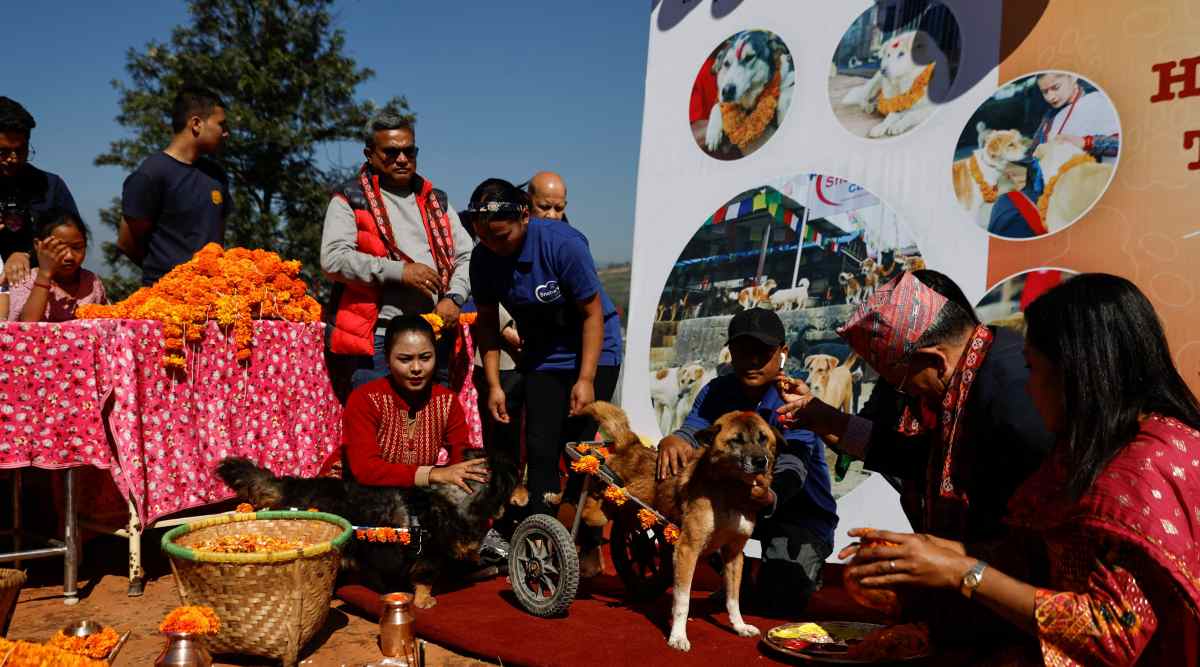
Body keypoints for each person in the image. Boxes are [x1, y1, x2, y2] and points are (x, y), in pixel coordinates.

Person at [842, 274, 1200, 665]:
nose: (1027, 386)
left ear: (1077, 374)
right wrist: (932, 552)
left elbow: (1111, 632)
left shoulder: (1141, 469)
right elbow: (1041, 554)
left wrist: (964, 571)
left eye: (1032, 368)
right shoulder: (1087, 447)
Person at [778, 270, 1052, 547]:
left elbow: (1035, 531)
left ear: (936, 361)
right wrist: (826, 419)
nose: (905, 394)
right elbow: (920, 457)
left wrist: (948, 562)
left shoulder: (1017, 398)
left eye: (902, 383)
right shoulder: (971, 370)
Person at [466, 178, 622, 571]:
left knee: (578, 449)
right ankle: (540, 541)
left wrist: (586, 379)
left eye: (502, 236)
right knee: (540, 447)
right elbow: (487, 324)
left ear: (524, 217)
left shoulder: (562, 244)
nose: (494, 246)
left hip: (593, 349)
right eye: (485, 237)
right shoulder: (483, 258)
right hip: (543, 356)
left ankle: (585, 540)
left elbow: (592, 315)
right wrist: (494, 385)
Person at [657, 308, 838, 616]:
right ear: (731, 352)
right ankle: (736, 580)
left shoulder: (795, 397)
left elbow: (794, 465)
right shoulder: (716, 390)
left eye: (763, 352)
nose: (753, 360)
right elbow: (693, 432)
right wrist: (674, 439)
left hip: (797, 512)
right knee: (681, 504)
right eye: (742, 350)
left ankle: (785, 571)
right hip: (734, 505)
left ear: (782, 352)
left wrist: (770, 495)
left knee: (780, 601)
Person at [321, 108, 472, 389]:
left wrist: (455, 297)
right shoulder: (350, 197)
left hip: (434, 334)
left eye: (409, 151)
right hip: (378, 338)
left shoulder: (435, 200)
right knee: (379, 416)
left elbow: (467, 256)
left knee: (434, 417)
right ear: (369, 154)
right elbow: (333, 259)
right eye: (391, 152)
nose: (402, 159)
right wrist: (400, 272)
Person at [322, 315, 489, 491]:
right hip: (350, 491)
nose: (416, 368)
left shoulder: (446, 401)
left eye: (425, 358)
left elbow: (461, 456)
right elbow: (366, 469)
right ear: (387, 359)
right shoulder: (364, 399)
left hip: (407, 495)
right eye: (405, 359)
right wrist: (433, 474)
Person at [118, 87, 231, 286]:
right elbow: (127, 242)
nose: (226, 133)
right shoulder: (151, 174)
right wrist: (166, 275)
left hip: (212, 294)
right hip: (165, 296)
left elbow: (218, 240)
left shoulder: (217, 175)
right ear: (196, 124)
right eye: (221, 124)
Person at [989, 73, 1120, 238]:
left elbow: (1121, 145)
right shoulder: (1050, 116)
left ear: (1073, 78)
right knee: (1004, 206)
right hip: (1043, 191)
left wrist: (1084, 142)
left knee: (1009, 214)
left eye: (1056, 87)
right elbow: (1033, 153)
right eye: (1045, 92)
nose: (1050, 96)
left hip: (1076, 195)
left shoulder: (1098, 103)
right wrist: (1008, 154)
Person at [0, 97, 80, 286]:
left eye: (20, 151)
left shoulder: (51, 186)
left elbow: (74, 243)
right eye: (3, 152)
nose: (13, 159)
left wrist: (28, 255)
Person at [7, 210, 106, 322]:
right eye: (59, 248)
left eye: (77, 247)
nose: (69, 256)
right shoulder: (25, 280)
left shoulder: (92, 282)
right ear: (38, 245)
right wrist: (44, 275)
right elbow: (27, 324)